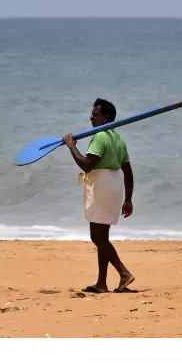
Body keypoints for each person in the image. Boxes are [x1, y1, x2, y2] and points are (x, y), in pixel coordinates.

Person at [63, 98, 135, 294]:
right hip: (115, 185)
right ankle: (101, 283)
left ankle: (124, 273)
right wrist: (128, 198)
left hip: (101, 185)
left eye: (95, 115)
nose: (91, 118)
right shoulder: (119, 139)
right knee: (103, 235)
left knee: (97, 236)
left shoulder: (100, 137)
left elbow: (87, 165)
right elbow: (128, 172)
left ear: (106, 119)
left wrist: (71, 146)